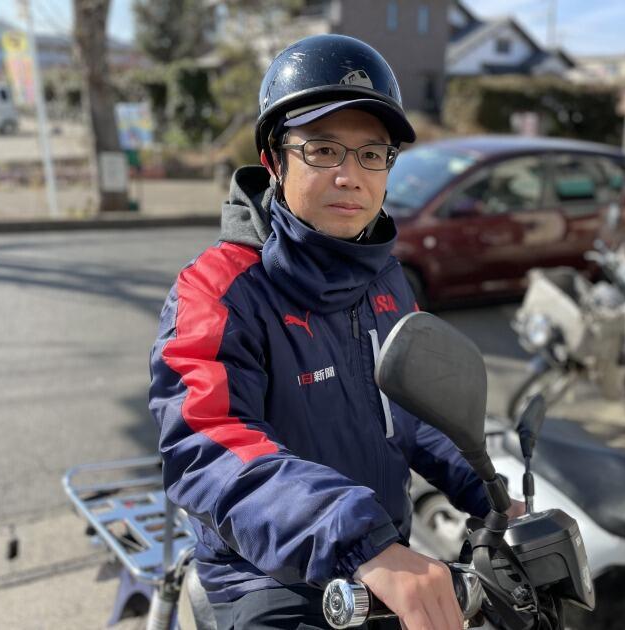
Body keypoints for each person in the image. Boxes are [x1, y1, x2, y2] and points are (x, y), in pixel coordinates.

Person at [149, 34, 523, 630]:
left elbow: (418, 410)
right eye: (323, 150)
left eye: (372, 154)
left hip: (383, 549)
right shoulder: (216, 291)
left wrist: (491, 491)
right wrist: (357, 539)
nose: (351, 176)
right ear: (274, 160)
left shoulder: (386, 277)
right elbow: (208, 442)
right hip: (268, 574)